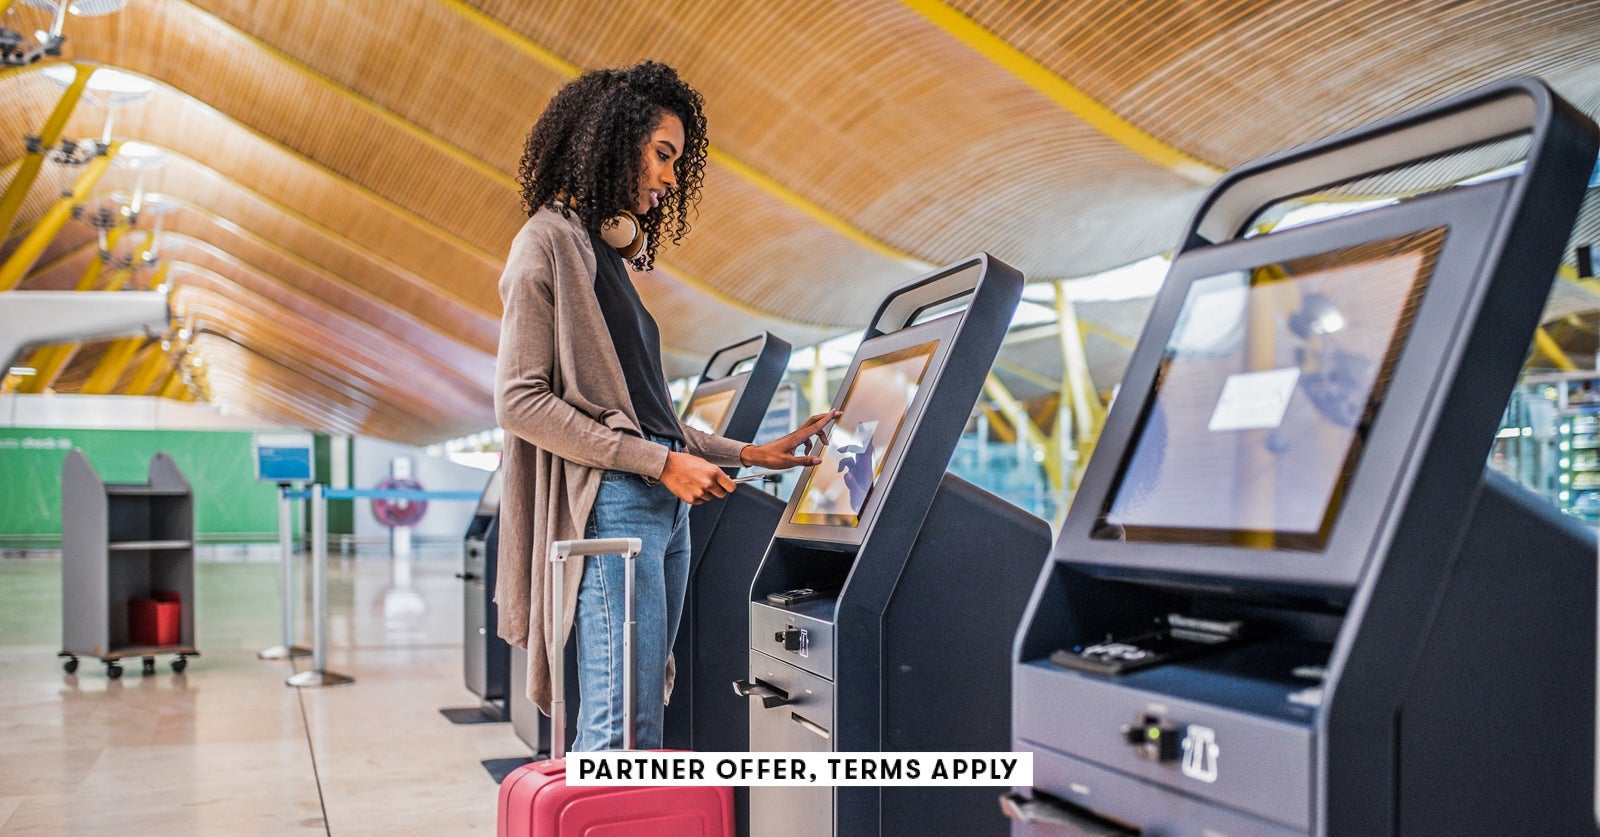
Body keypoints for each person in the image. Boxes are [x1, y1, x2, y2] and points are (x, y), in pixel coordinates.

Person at [493, 60, 836, 751]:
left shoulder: (605, 256)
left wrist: (750, 453)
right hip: (616, 502)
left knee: (641, 709)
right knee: (621, 724)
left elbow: (653, 420)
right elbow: (520, 400)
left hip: (657, 504)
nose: (671, 177)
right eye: (662, 154)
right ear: (613, 144)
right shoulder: (546, 244)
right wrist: (659, 465)